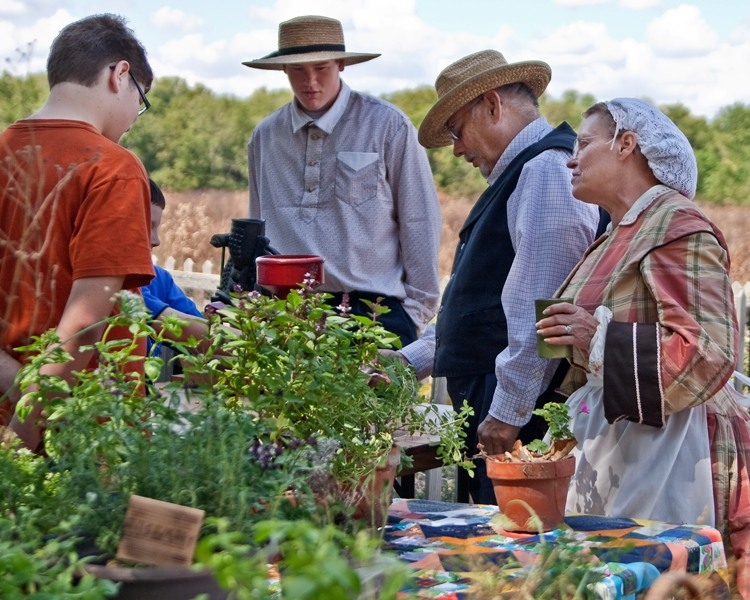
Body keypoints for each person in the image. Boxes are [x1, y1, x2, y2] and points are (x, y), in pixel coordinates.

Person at [536, 97, 750, 596]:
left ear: (626, 144)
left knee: (649, 578)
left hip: (672, 449)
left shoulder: (675, 226)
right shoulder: (621, 231)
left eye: (584, 143)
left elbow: (710, 351)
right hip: (623, 442)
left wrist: (595, 338)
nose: (571, 158)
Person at [393, 50, 603, 504]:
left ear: (492, 105)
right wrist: (407, 362)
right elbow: (489, 307)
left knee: (517, 549)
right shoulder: (530, 172)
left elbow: (544, 310)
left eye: (457, 132)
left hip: (523, 416)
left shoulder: (545, 171)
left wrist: (508, 411)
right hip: (505, 403)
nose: (458, 150)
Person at [0, 13, 155, 451]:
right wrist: (30, 425)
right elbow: (88, 321)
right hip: (84, 429)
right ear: (119, 74)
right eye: (140, 101)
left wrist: (15, 394)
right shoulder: (113, 167)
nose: (133, 119)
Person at [242, 15, 441, 347]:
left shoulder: (387, 126)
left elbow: (420, 219)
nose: (311, 81)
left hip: (374, 313)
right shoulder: (265, 137)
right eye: (298, 70)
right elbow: (257, 226)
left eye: (321, 67)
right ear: (283, 70)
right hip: (286, 313)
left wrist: (414, 311)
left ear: (341, 65)